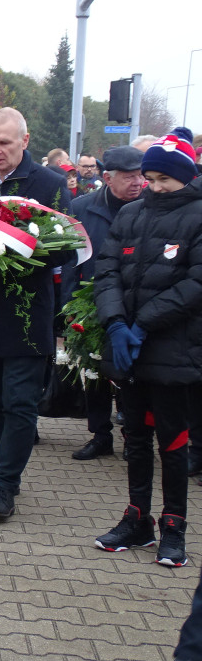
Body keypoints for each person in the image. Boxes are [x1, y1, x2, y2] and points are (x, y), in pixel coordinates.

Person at [92, 128, 202, 568]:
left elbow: (196, 283)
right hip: (129, 348)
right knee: (135, 436)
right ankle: (137, 518)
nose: (152, 186)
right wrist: (116, 323)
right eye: (148, 177)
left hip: (172, 348)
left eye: (162, 180)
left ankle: (174, 524)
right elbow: (107, 270)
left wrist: (143, 324)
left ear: (184, 178)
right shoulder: (132, 214)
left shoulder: (198, 216)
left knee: (172, 440)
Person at [0, 107, 72, 520]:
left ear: (25, 140)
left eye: (4, 142)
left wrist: (21, 245)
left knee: (19, 401)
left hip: (26, 312)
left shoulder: (50, 185)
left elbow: (67, 245)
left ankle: (7, 484)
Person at [60, 146, 144, 461]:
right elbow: (71, 261)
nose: (137, 182)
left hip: (134, 306)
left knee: (131, 373)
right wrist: (67, 309)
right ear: (107, 178)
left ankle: (133, 435)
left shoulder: (148, 208)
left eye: (140, 175)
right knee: (94, 372)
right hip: (90, 305)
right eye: (129, 176)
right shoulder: (82, 208)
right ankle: (100, 435)